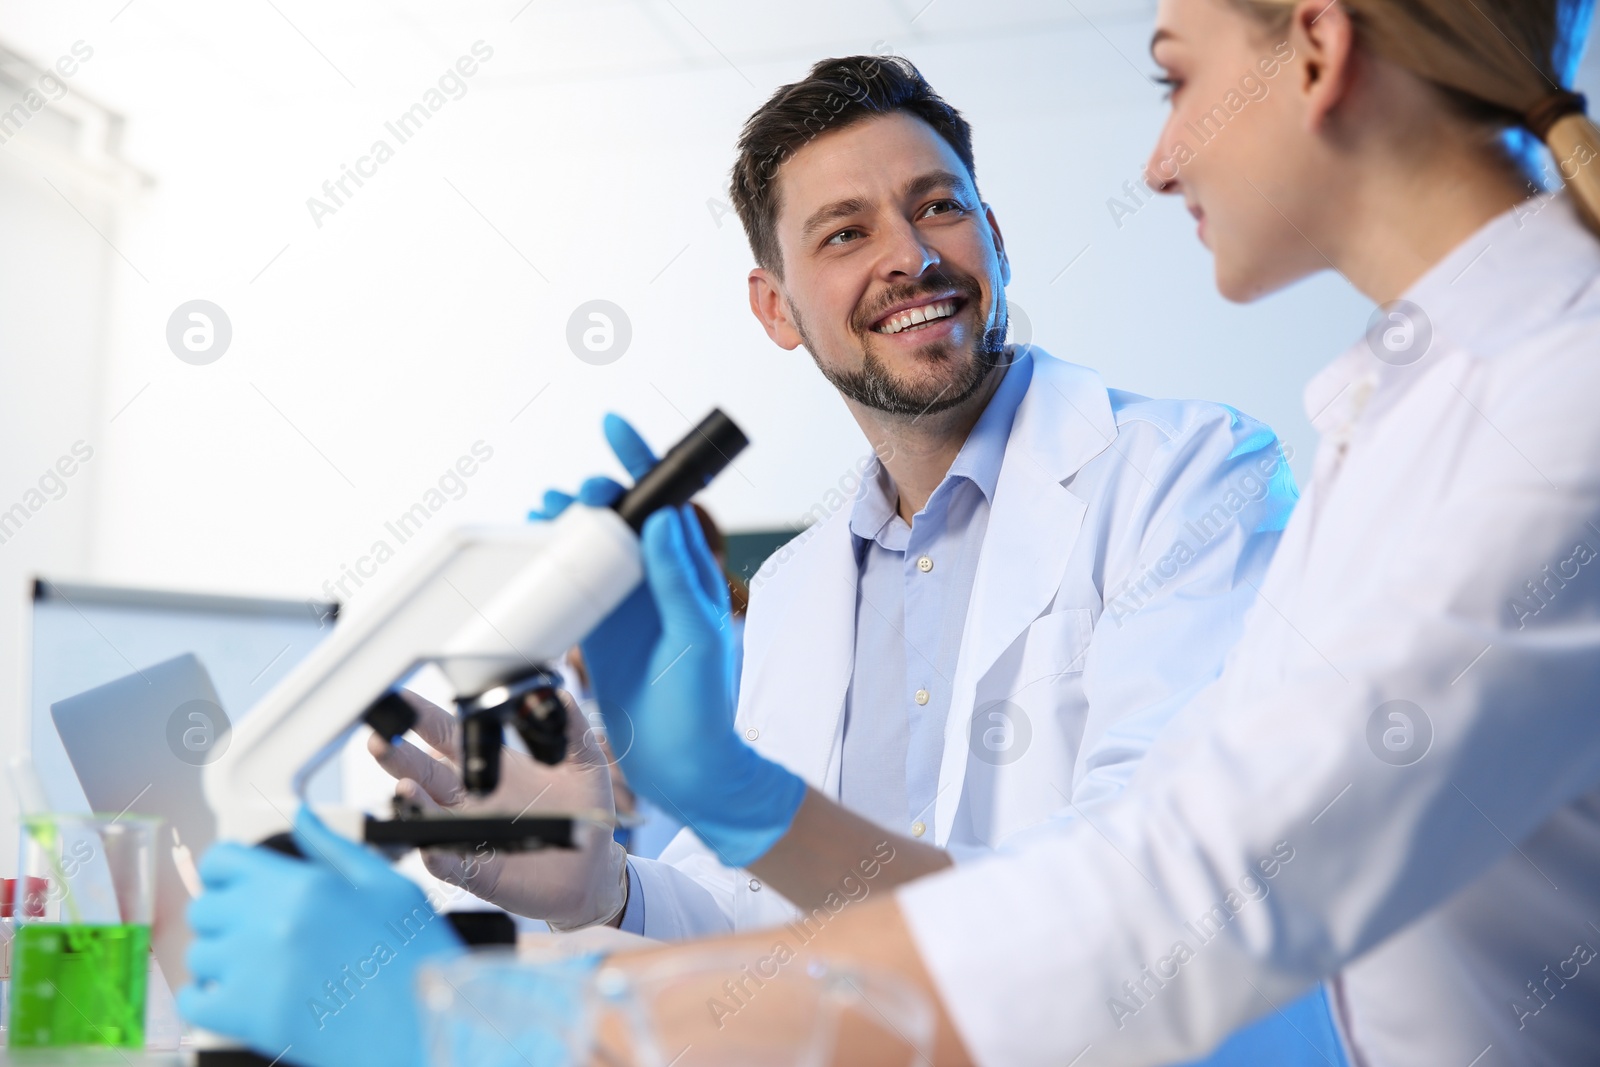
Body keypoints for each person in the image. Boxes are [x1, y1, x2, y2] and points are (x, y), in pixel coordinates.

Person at [177, 52, 1345, 1067]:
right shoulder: (794, 586)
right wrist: (608, 885)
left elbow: (1125, 918)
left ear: (995, 233)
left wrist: (739, 798)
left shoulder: (1189, 479)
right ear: (776, 306)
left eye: (938, 207)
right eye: (845, 233)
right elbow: (765, 916)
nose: (909, 256)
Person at [581, 0, 1600, 1064]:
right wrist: (638, 859)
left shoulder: (1549, 400)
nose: (1159, 165)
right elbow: (1154, 861)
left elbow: (1186, 899)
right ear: (775, 303)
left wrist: (579, 1020)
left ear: (1318, 51)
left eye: (1174, 81)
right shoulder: (1403, 413)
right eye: (844, 232)